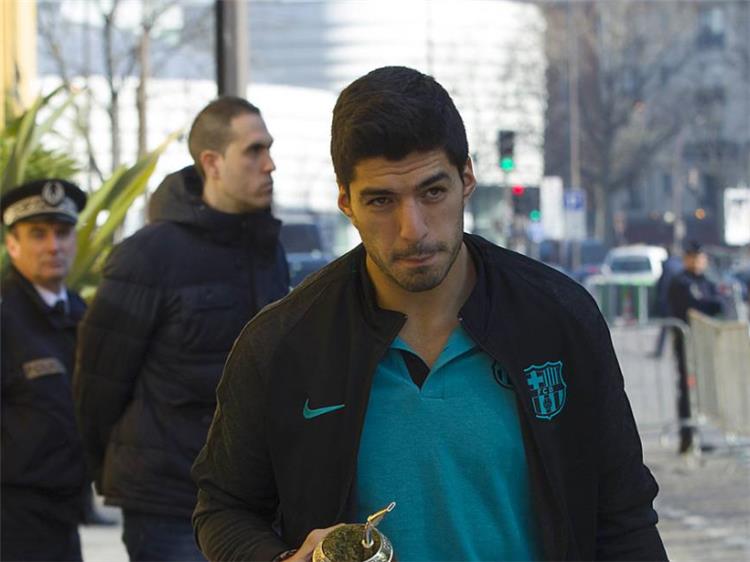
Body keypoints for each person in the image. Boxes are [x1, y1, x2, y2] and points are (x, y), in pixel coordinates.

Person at [192, 67, 666, 562]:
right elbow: (223, 506)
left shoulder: (558, 318)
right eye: (381, 200)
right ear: (346, 202)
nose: (412, 228)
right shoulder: (282, 342)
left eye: (432, 192)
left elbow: (624, 516)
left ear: (467, 179)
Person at [74, 97, 290, 561]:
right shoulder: (149, 255)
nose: (270, 164)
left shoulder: (268, 250)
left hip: (251, 499)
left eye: (269, 148)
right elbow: (97, 384)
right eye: (254, 151)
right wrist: (106, 473)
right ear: (212, 162)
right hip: (169, 503)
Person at [1, 179, 88, 561]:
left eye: (62, 233)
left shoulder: (82, 315)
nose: (54, 246)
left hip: (65, 515)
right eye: (38, 234)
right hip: (11, 519)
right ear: (12, 244)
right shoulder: (5, 317)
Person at [667, 241, 723, 454]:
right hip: (686, 343)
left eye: (700, 257)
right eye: (693, 257)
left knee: (701, 393)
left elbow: (719, 302)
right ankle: (687, 438)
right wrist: (713, 304)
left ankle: (697, 437)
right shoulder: (681, 282)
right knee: (687, 390)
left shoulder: (706, 281)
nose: (697, 261)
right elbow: (697, 305)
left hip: (703, 343)